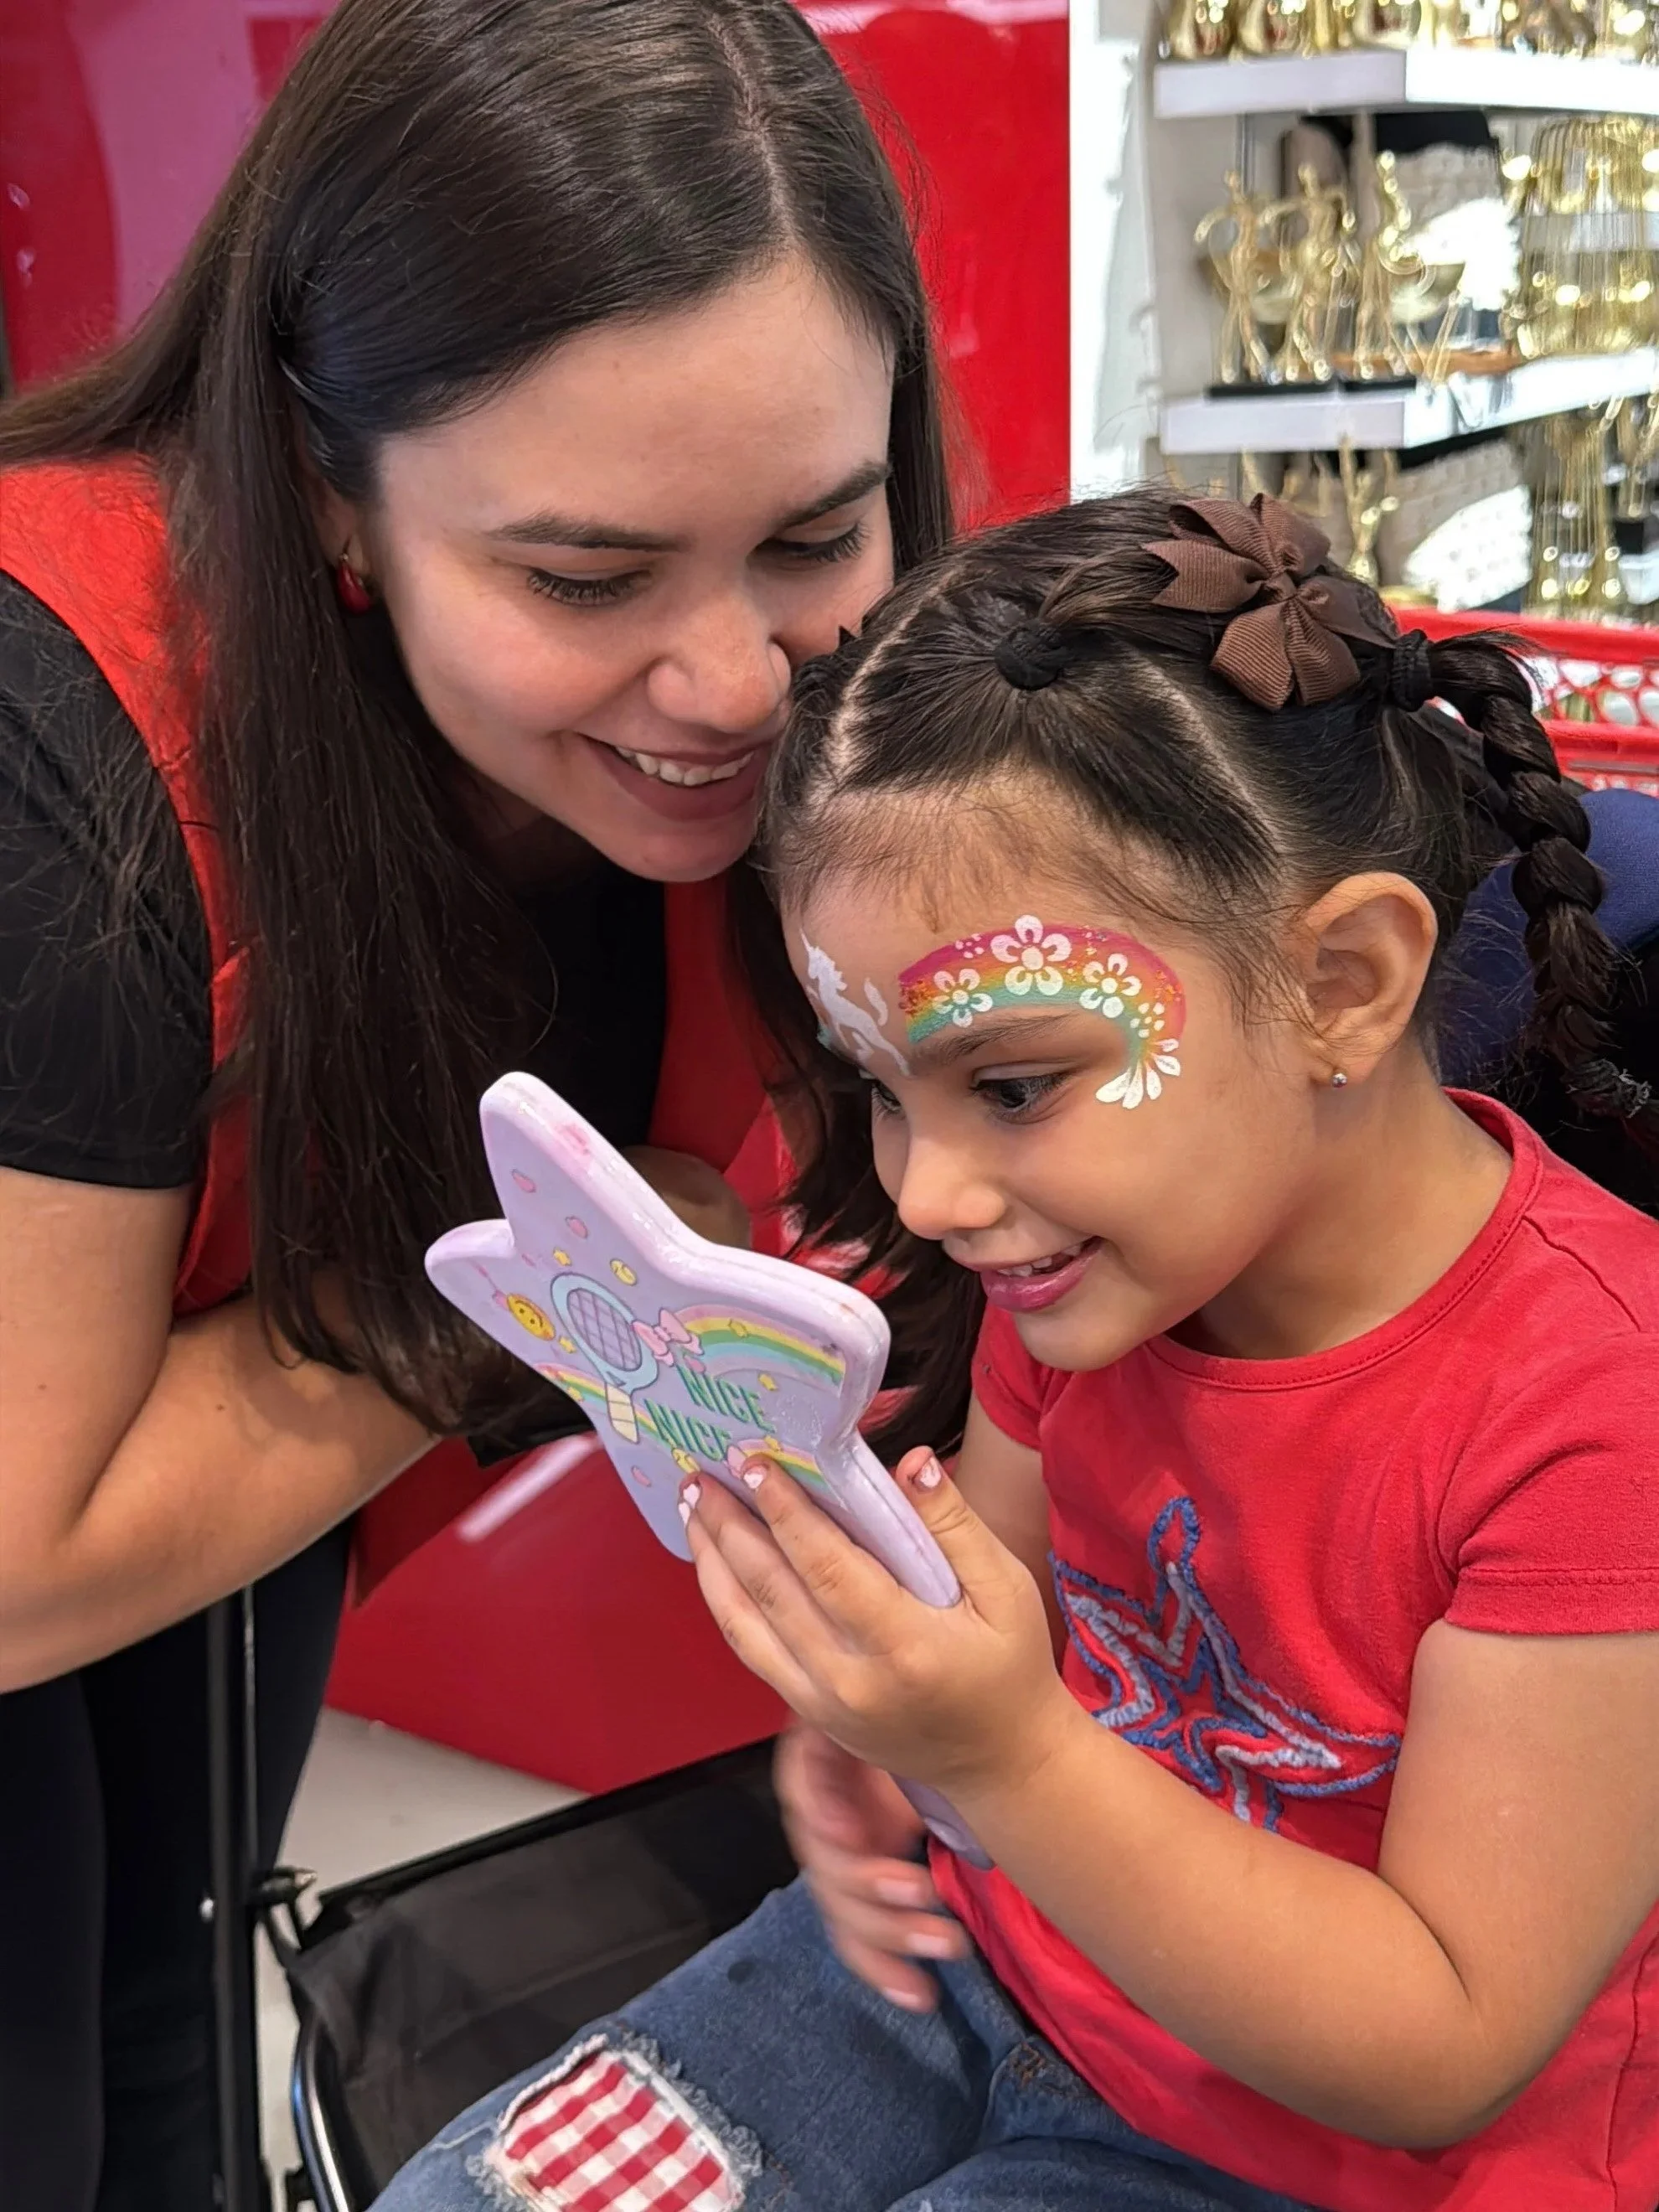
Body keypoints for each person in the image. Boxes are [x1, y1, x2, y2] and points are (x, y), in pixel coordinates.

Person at [375, 490, 1659, 2212]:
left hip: (1318, 2160)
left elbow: (1444, 2044)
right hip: (973, 1957)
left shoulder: (1598, 1415)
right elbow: (1005, 1610)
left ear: (1344, 984)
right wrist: (882, 1722)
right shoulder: (1091, 1282)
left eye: (1012, 1083)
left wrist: (1005, 1757)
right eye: (880, 1089)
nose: (931, 1193)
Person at [0, 0, 952, 2202]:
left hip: (244, 1408)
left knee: (175, 2028)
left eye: (816, 538)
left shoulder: (870, 708)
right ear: (326, 489)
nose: (731, 687)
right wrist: (571, 1270)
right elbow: (21, 1563)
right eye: (584, 580)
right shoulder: (54, 767)